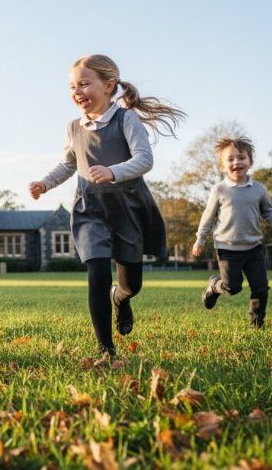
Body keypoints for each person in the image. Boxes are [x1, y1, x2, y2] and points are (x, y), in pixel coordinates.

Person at [29, 54, 184, 357]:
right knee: (97, 272)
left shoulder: (127, 119)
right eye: (73, 86)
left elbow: (144, 159)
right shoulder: (74, 127)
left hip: (127, 207)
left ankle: (121, 299)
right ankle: (105, 348)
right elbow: (68, 164)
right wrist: (45, 183)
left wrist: (114, 172)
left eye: (85, 84)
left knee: (132, 285)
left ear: (109, 84)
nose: (77, 91)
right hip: (91, 209)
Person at [193, 136, 272, 328]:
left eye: (241, 157)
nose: (236, 162)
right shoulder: (219, 190)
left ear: (250, 161)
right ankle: (215, 286)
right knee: (232, 288)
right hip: (227, 249)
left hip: (254, 248)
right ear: (222, 165)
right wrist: (200, 240)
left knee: (261, 287)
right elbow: (208, 217)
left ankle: (256, 323)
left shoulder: (258, 189)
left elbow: (269, 212)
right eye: (230, 159)